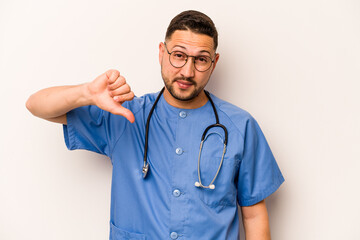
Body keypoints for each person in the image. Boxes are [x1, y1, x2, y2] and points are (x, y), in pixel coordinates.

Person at [26, 10, 284, 240]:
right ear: (162, 53)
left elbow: (253, 216)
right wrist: (87, 93)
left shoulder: (240, 126)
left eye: (201, 60)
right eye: (179, 56)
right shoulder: (124, 116)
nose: (187, 71)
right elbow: (36, 105)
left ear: (214, 63)